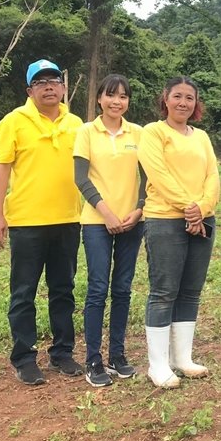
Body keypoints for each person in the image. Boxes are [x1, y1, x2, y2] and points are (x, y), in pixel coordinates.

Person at [0, 59, 84, 385]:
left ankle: (62, 353)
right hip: (27, 223)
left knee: (63, 290)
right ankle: (25, 357)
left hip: (68, 220)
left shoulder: (76, 123)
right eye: (40, 82)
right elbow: (1, 169)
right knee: (24, 291)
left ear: (62, 87)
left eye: (54, 81)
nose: (48, 87)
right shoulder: (14, 122)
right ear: (29, 90)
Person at [138, 76, 219, 389]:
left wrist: (202, 207)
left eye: (189, 98)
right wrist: (189, 207)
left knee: (190, 290)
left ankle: (182, 358)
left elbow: (213, 175)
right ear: (166, 99)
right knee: (163, 291)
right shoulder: (153, 132)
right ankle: (158, 364)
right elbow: (158, 174)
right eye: (178, 96)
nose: (183, 103)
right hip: (165, 219)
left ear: (196, 103)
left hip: (203, 218)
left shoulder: (201, 137)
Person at [74, 74, 145, 387]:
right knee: (98, 288)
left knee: (122, 289)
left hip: (132, 221)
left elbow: (148, 178)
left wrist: (138, 209)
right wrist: (107, 213)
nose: (117, 101)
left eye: (123, 96)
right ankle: (93, 359)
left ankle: (117, 355)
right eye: (111, 95)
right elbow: (81, 178)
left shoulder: (139, 133)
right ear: (99, 98)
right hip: (96, 222)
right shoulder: (86, 132)